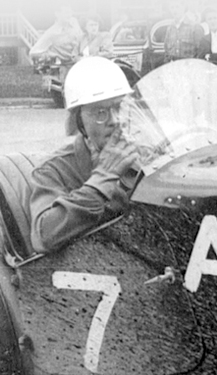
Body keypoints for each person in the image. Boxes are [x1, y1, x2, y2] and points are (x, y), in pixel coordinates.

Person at [30, 56, 139, 254]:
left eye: (119, 107)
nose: (114, 120)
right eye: (100, 112)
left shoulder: (142, 154)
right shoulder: (53, 170)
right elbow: (44, 236)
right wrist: (103, 177)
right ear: (78, 121)